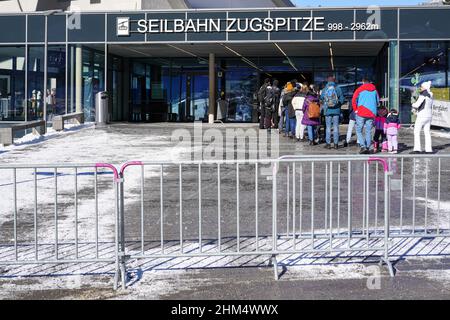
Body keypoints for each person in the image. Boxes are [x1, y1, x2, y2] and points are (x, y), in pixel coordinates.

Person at [352, 77, 380, 154]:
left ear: (363, 82)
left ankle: (363, 146)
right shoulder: (374, 90)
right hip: (371, 113)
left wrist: (356, 110)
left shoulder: (359, 89)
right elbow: (378, 102)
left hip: (361, 112)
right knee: (368, 131)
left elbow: (353, 100)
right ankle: (368, 147)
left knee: (359, 130)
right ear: (370, 82)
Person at [320, 76, 344, 149]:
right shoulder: (338, 88)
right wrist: (338, 104)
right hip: (336, 110)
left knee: (328, 127)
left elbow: (321, 98)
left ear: (327, 80)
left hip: (327, 111)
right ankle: (336, 144)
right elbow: (342, 99)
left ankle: (328, 144)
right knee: (336, 127)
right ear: (334, 80)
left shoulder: (325, 89)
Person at [412, 81, 434, 154]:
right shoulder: (431, 95)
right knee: (427, 132)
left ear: (425, 88)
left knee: (416, 131)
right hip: (429, 115)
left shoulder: (423, 95)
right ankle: (429, 149)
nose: (420, 88)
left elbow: (417, 105)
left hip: (422, 115)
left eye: (421, 87)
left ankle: (417, 149)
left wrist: (413, 104)